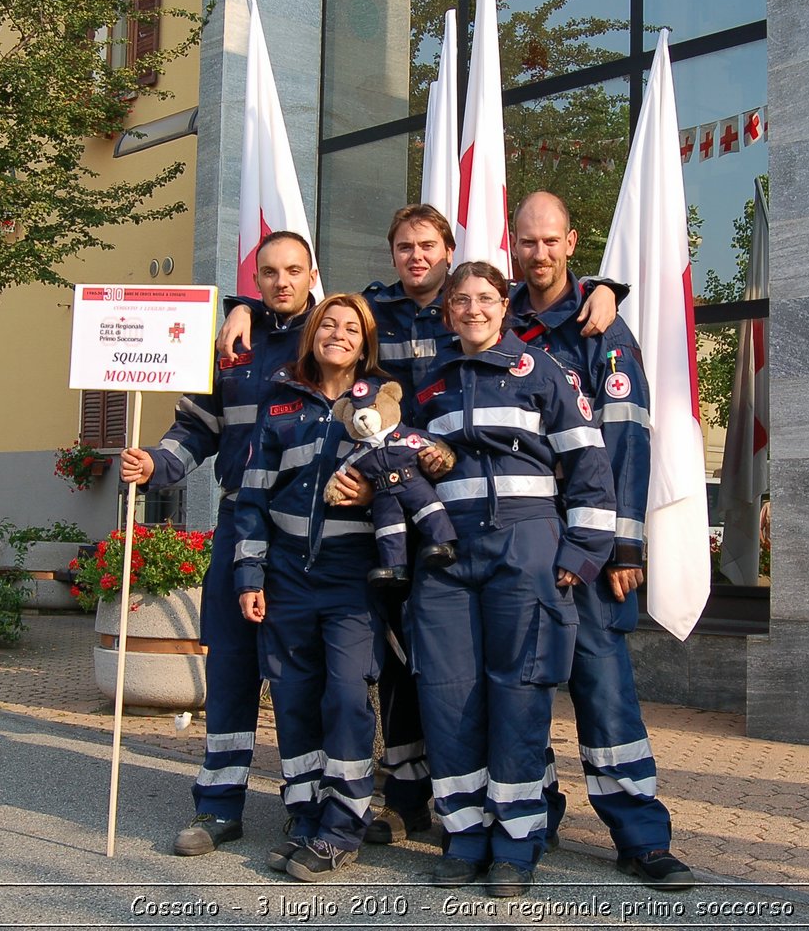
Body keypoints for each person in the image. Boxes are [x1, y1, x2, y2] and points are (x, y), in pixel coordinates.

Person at [213, 205, 626, 846]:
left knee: (531, 684)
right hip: (418, 546)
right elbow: (333, 347)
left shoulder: (523, 350)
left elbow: (588, 437)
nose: (417, 256)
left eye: (428, 246)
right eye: (404, 245)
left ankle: (543, 819)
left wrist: (605, 288)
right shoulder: (400, 358)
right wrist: (242, 302)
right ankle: (412, 807)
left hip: (514, 542)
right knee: (424, 682)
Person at [506, 191, 694, 890]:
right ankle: (533, 817)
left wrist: (623, 546)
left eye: (551, 241)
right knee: (521, 690)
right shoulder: (501, 320)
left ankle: (641, 837)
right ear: (513, 243)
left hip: (585, 550)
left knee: (605, 691)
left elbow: (627, 440)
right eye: (528, 242)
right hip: (520, 548)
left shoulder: (600, 330)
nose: (540, 253)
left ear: (571, 240)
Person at [411, 261, 617, 897]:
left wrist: (580, 554)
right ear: (447, 313)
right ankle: (464, 834)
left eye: (485, 300)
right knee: (447, 696)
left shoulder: (542, 372)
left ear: (505, 307)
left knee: (520, 693)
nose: (473, 310)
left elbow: (588, 464)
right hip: (446, 558)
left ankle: (516, 842)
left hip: (524, 549)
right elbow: (405, 467)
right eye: (461, 301)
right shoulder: (429, 385)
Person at [117, 230, 320, 857]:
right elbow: (195, 429)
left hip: (305, 529)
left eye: (292, 270)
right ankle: (219, 805)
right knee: (230, 666)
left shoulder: (335, 338)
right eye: (268, 273)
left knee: (297, 675)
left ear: (313, 273)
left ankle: (307, 807)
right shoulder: (232, 346)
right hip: (238, 522)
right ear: (254, 281)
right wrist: (155, 463)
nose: (280, 281)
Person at [233, 294, 390, 882]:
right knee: (294, 696)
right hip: (287, 577)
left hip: (352, 576)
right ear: (313, 334)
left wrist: (376, 492)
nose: (339, 334)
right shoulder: (280, 402)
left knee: (347, 695)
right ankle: (304, 812)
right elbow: (251, 500)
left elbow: (405, 475)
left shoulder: (382, 401)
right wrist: (250, 574)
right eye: (329, 324)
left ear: (365, 341)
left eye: (352, 327)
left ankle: (343, 823)